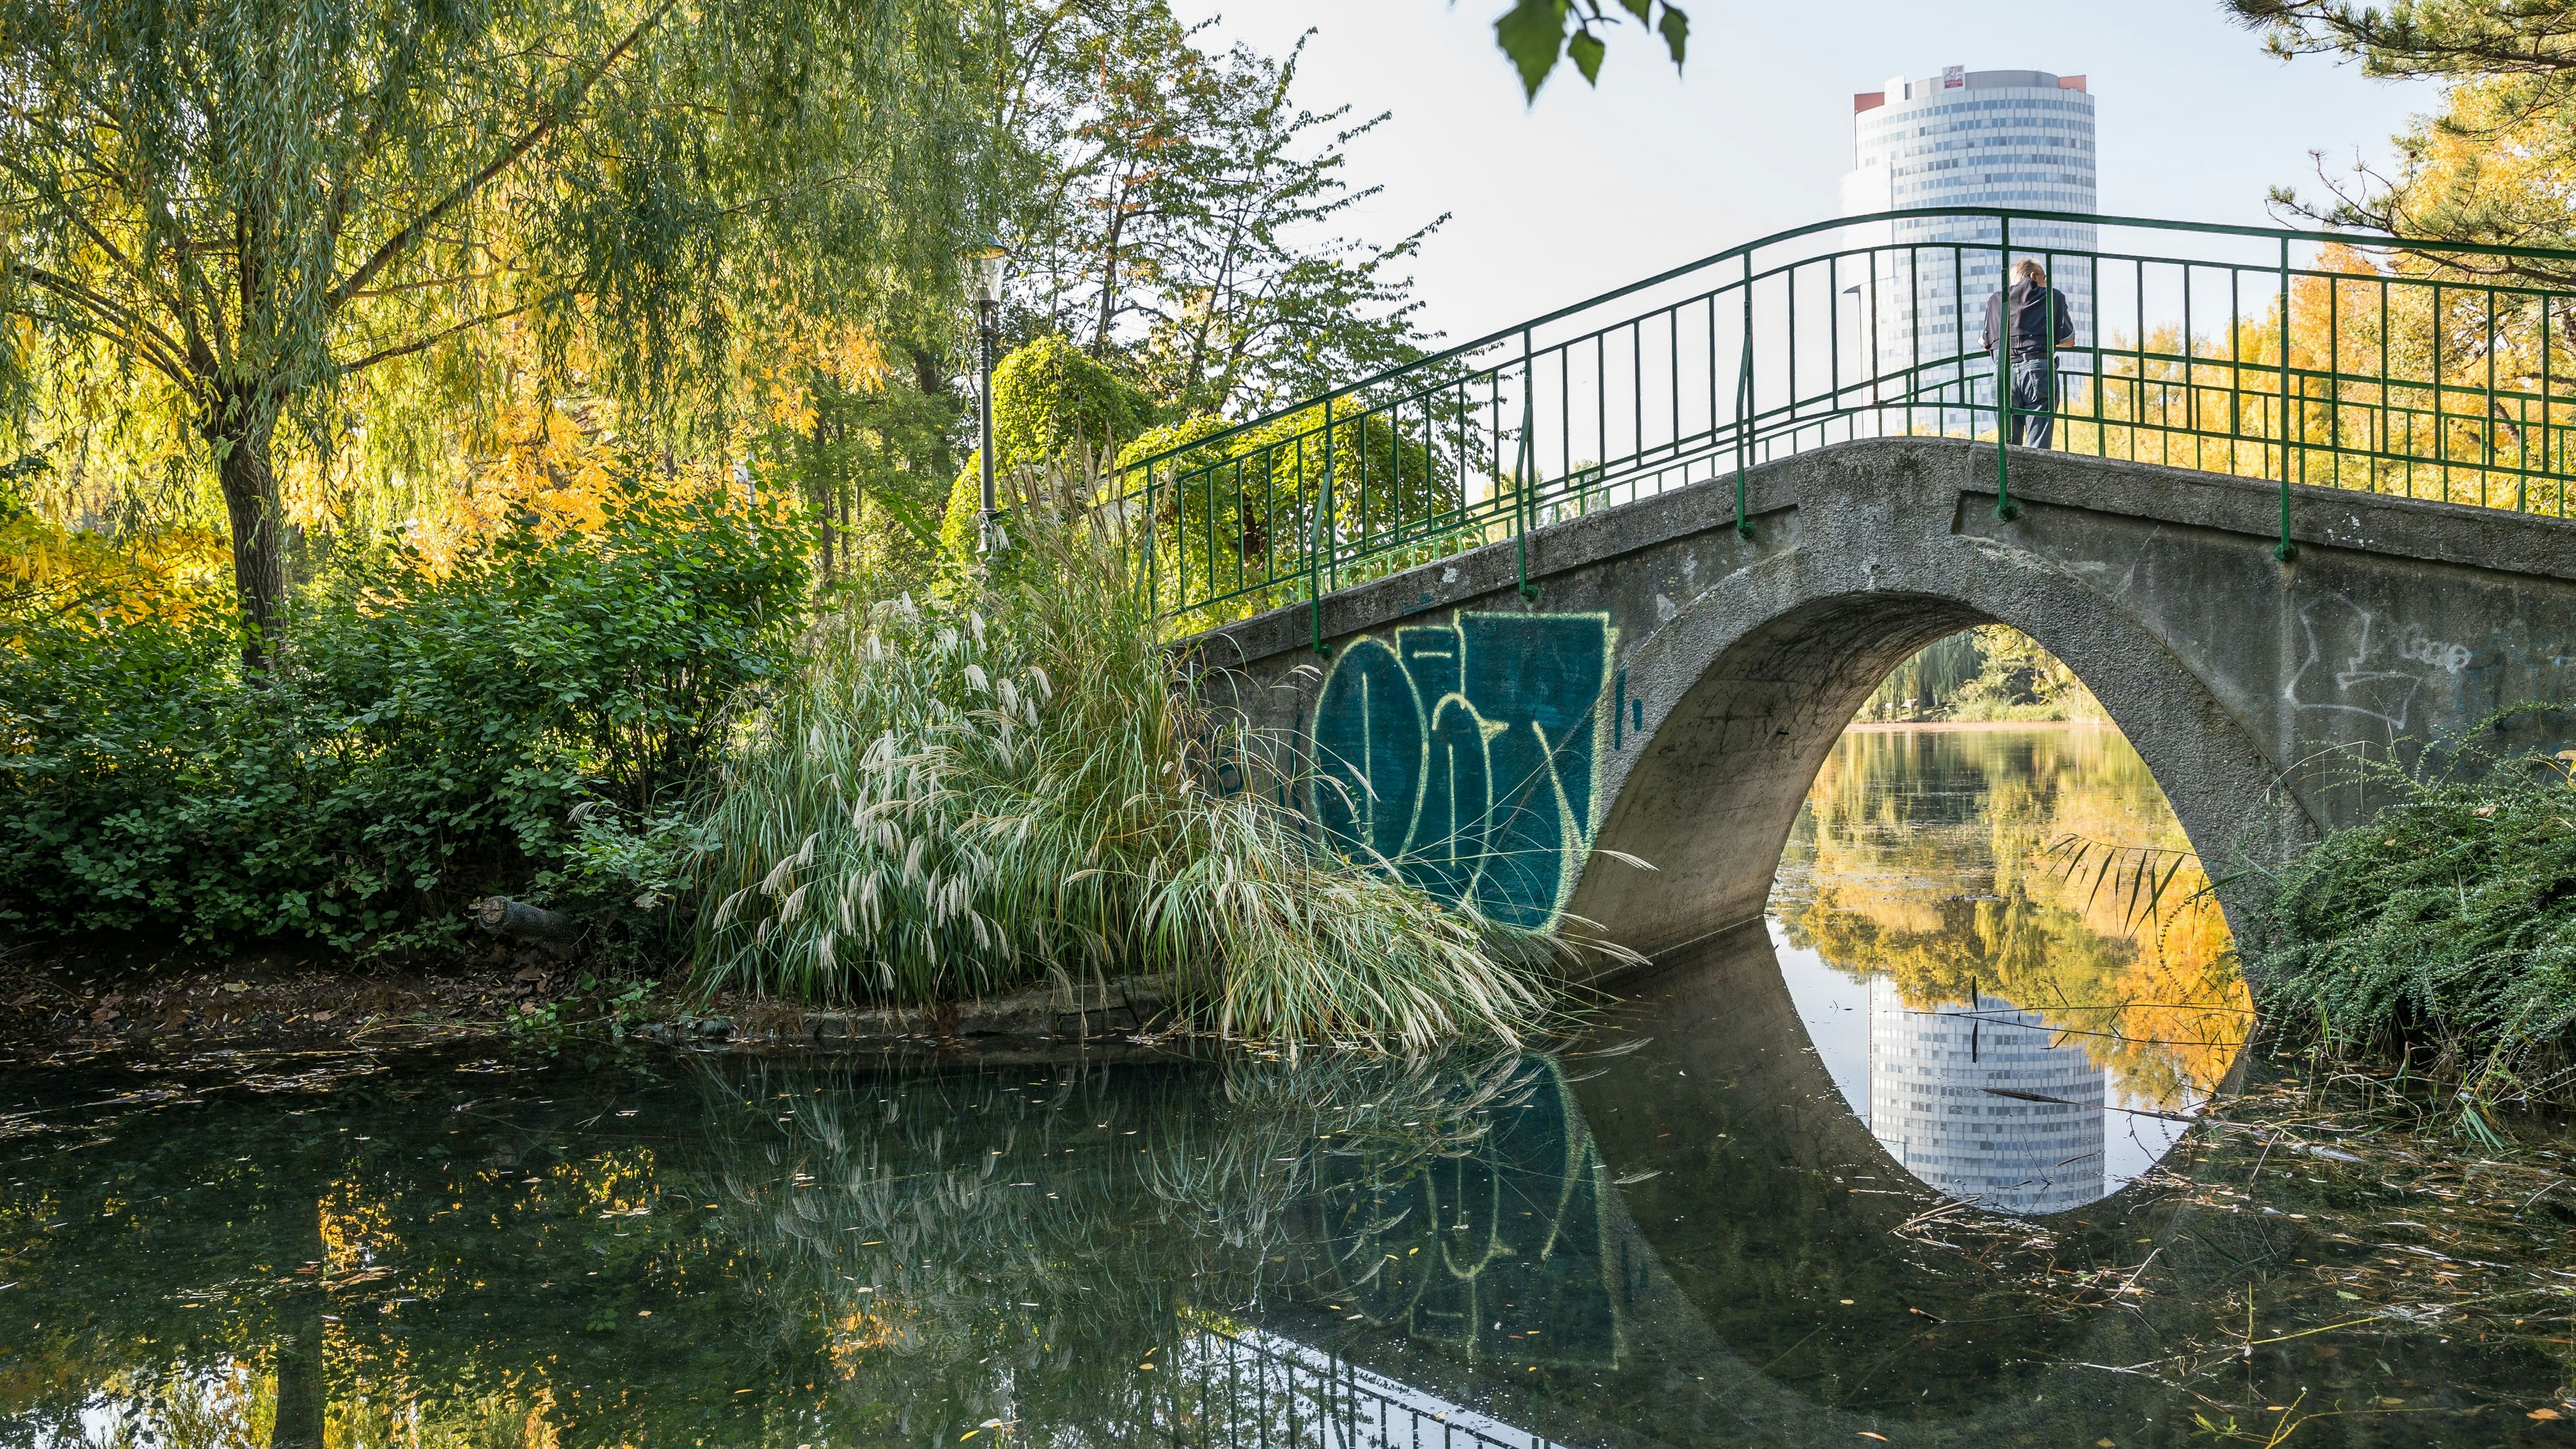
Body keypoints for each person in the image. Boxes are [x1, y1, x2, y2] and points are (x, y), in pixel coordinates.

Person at [1982, 258, 2076, 448]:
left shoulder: (1996, 300)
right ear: (2034, 276)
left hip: (2003, 373)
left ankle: (2008, 477)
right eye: (2045, 278)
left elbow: (1987, 344)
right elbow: (2069, 340)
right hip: (2038, 368)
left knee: (2008, 446)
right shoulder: (2051, 296)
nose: (2046, 283)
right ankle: (2035, 477)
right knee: (2038, 444)